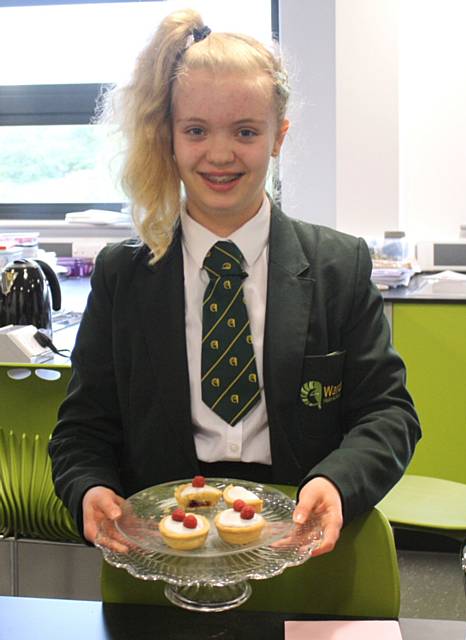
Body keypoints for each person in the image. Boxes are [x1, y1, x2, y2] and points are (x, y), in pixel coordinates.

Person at [49, 9, 421, 557]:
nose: (220, 154)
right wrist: (91, 488)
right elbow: (82, 430)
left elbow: (389, 414)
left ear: (278, 137)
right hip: (161, 550)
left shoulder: (339, 267)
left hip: (303, 546)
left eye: (245, 131)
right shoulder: (121, 276)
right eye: (196, 130)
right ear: (168, 137)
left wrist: (337, 482)